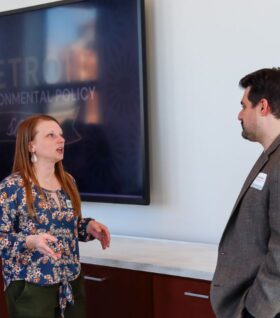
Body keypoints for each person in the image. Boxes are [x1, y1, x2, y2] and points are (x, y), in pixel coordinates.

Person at [0, 114, 110, 318]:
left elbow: (68, 226)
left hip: (70, 282)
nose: (61, 139)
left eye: (60, 134)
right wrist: (31, 241)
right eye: (50, 135)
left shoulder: (68, 181)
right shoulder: (11, 188)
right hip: (31, 288)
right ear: (31, 145)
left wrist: (87, 227)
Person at [210, 68, 280, 318]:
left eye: (243, 105)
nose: (239, 115)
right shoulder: (270, 156)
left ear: (262, 106)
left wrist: (254, 311)